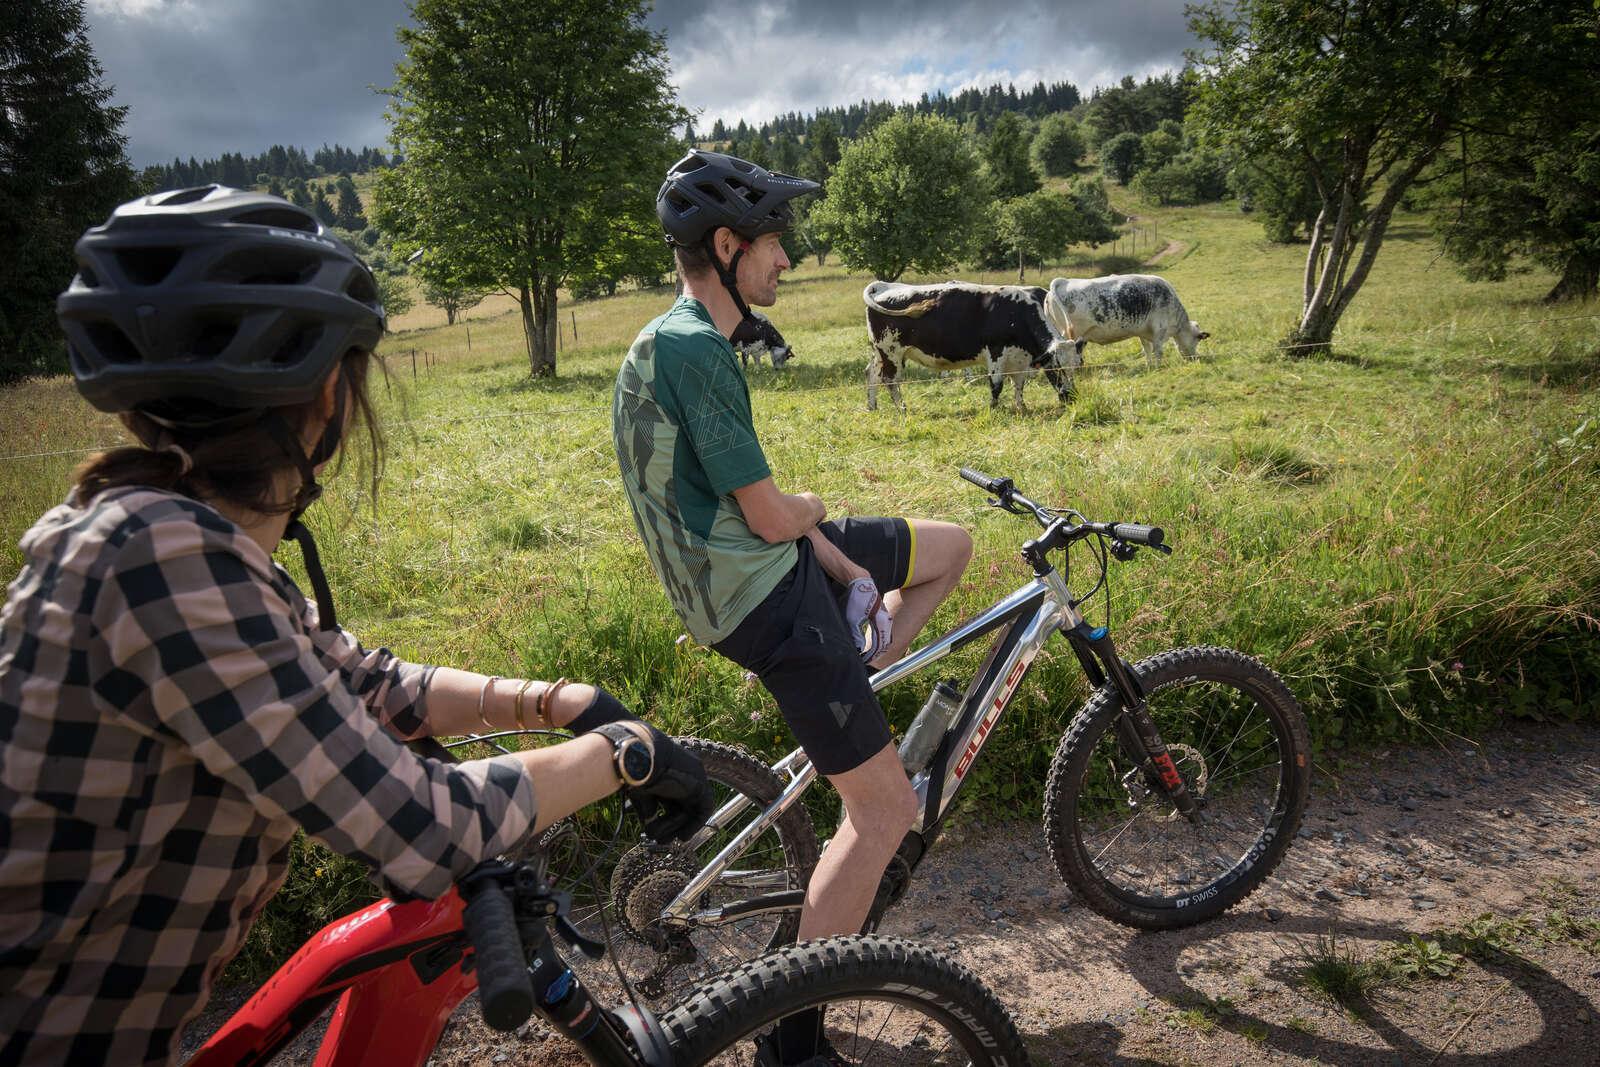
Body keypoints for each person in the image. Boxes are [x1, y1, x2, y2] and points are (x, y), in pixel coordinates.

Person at [0, 186, 712, 1067]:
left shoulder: (151, 535)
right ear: (329, 393)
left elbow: (359, 679)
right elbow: (423, 824)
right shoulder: (162, 559)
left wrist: (559, 702)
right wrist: (626, 752)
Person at [611, 151, 973, 1064]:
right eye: (773, 241)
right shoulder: (698, 348)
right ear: (725, 245)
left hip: (760, 570)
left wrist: (819, 537)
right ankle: (791, 1041)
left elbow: (746, 509)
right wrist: (809, 510)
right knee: (884, 813)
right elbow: (773, 513)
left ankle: (862, 675)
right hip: (768, 598)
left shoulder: (666, 338)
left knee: (952, 548)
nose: (786, 259)